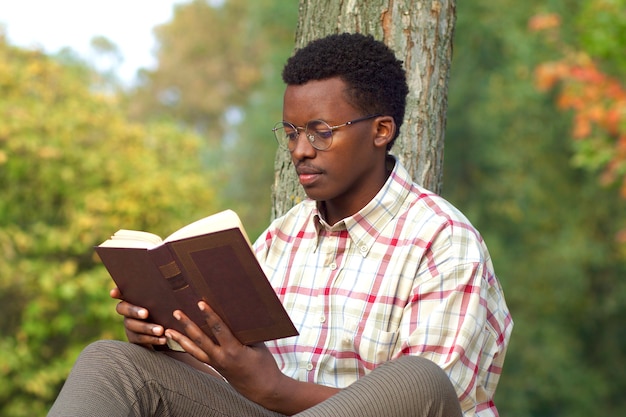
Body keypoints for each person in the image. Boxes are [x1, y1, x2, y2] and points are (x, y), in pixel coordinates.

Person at [48, 33, 512, 417]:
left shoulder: (443, 241)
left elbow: (436, 405)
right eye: (290, 133)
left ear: (381, 130)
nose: (300, 150)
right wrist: (167, 339)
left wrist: (274, 390)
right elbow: (234, 375)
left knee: (417, 380)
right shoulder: (279, 239)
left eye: (320, 131)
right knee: (111, 362)